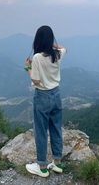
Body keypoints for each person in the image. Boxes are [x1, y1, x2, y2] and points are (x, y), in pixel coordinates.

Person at [24, 25, 67, 178]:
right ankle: (57, 163)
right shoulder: (57, 54)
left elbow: (35, 80)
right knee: (56, 128)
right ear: (50, 40)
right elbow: (63, 48)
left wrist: (27, 67)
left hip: (42, 96)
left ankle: (42, 166)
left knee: (41, 131)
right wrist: (53, 44)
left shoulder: (37, 58)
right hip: (56, 95)